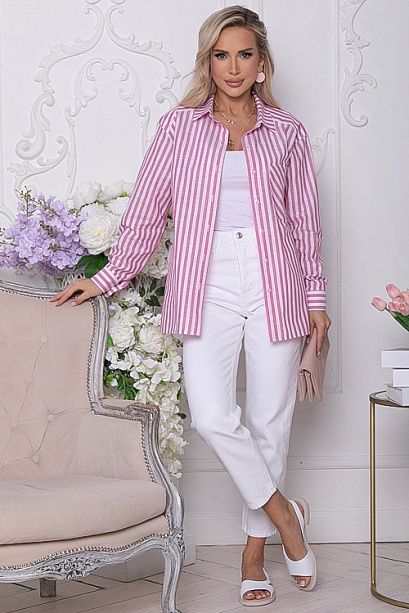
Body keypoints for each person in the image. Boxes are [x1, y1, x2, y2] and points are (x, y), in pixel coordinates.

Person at [52, 5, 331, 606]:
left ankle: (253, 553)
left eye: (245, 54)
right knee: (211, 415)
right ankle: (285, 514)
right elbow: (148, 208)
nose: (233, 67)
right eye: (221, 55)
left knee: (269, 421)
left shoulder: (287, 131)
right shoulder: (179, 128)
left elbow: (306, 223)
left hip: (276, 278)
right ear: (208, 62)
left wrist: (315, 299)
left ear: (262, 63)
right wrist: (109, 278)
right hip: (206, 280)